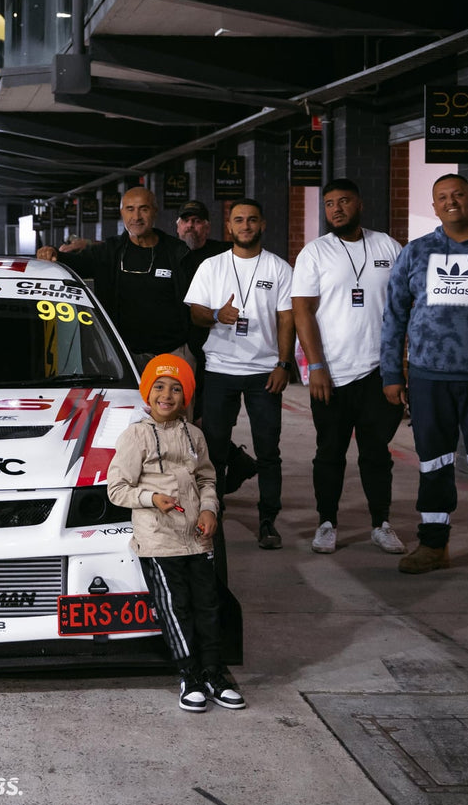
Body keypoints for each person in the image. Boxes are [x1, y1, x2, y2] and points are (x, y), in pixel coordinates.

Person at [381, 173, 468, 583]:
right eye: (442, 196)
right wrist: (392, 372)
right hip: (429, 377)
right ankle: (432, 546)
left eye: (458, 194)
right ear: (434, 206)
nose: (451, 201)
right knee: (434, 463)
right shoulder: (416, 252)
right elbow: (394, 315)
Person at [107, 355, 245, 712]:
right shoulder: (135, 435)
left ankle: (214, 674)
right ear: (147, 392)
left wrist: (210, 509)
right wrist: (151, 498)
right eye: (159, 386)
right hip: (159, 540)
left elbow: (207, 479)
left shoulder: (194, 435)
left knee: (208, 605)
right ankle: (190, 676)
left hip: (196, 538)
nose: (166, 395)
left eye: (176, 389)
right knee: (175, 607)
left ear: (186, 397)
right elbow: (117, 489)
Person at [291, 180, 407, 555]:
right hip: (332, 373)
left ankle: (381, 524)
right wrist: (316, 365)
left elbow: (405, 305)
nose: (336, 209)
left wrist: (400, 365)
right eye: (329, 203)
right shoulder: (315, 252)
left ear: (359, 204)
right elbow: (302, 311)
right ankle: (327, 523)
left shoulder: (387, 246)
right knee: (329, 452)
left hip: (379, 371)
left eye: (343, 201)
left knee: (377, 453)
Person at [184, 199, 294, 550]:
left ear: (262, 224)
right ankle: (213, 513)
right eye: (239, 220)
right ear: (229, 227)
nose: (245, 225)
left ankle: (268, 520)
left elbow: (287, 319)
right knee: (214, 451)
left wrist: (284, 364)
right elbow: (196, 313)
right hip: (220, 368)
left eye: (252, 220)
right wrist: (217, 314)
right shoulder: (212, 266)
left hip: (264, 372)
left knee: (269, 451)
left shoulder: (279, 268)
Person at [36, 187, 191, 369]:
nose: (136, 217)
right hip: (121, 355)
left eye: (144, 209)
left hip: (171, 353)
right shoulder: (109, 251)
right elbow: (76, 263)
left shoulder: (177, 252)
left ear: (155, 212)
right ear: (122, 213)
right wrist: (53, 253)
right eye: (130, 209)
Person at [175, 199, 257, 493]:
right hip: (183, 347)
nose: (191, 226)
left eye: (197, 221)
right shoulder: (172, 252)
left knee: (208, 421)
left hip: (218, 350)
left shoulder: (223, 253)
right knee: (188, 419)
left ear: (208, 227)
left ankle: (220, 476)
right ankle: (233, 464)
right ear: (178, 226)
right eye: (186, 221)